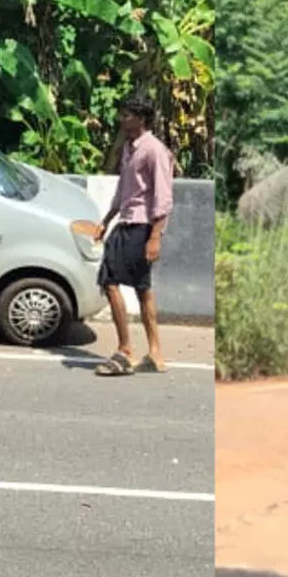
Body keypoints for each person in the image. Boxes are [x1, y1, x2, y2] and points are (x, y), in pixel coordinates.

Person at [93, 95, 175, 377]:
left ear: (141, 118)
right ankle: (152, 353)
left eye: (127, 115)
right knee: (117, 282)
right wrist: (105, 221)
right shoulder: (128, 148)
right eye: (121, 114)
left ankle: (127, 350)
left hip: (141, 227)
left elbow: (163, 198)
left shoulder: (154, 150)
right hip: (124, 224)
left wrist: (155, 237)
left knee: (131, 286)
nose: (121, 120)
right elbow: (123, 191)